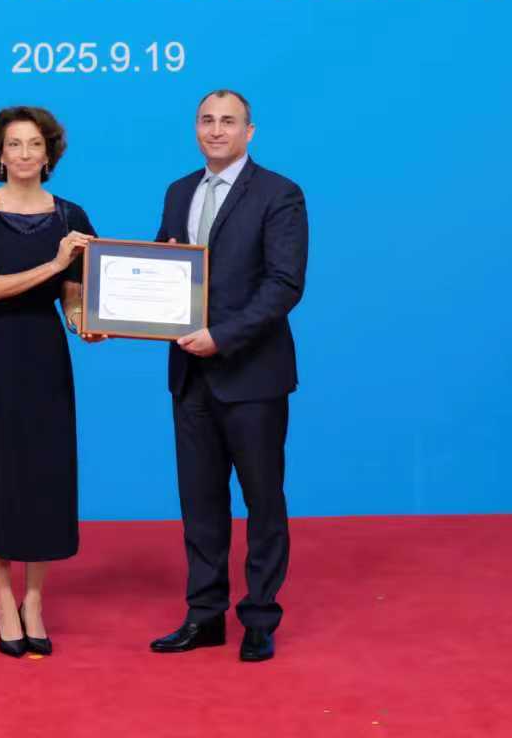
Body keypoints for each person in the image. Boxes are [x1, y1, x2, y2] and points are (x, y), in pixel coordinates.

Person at [147, 90, 307, 664]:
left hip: (252, 375)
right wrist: (118, 316)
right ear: (196, 127)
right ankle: (205, 615)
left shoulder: (279, 194)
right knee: (200, 502)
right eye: (207, 120)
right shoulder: (178, 191)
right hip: (189, 375)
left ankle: (260, 618)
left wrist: (224, 336)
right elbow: (166, 273)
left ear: (250, 131)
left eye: (228, 121)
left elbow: (284, 285)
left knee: (263, 501)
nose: (216, 130)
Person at [0, 106, 94, 658]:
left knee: (43, 474)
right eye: (16, 144)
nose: (26, 154)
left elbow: (76, 302)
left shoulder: (72, 215)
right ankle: (4, 599)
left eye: (36, 144)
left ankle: (35, 599)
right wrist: (57, 263)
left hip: (43, 352)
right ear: (0, 154)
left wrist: (88, 327)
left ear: (50, 154)